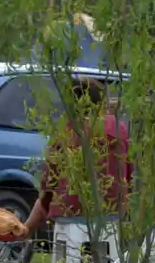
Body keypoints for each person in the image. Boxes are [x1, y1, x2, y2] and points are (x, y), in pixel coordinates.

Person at [22, 77, 131, 236]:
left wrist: (24, 230)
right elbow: (131, 181)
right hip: (112, 223)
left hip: (70, 224)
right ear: (100, 104)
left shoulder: (65, 135)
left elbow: (46, 196)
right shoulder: (119, 131)